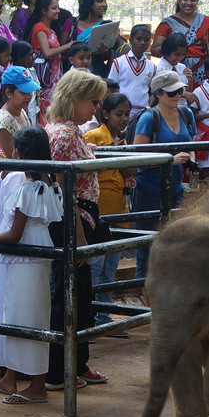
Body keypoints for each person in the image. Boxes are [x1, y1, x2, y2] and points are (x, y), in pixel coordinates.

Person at [0, 125, 61, 405]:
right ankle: (11, 376)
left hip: (26, 255)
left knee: (28, 318)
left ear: (19, 153)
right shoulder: (50, 183)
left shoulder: (28, 188)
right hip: (33, 253)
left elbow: (14, 235)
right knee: (21, 314)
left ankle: (37, 386)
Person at [44, 69, 110, 391]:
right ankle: (60, 370)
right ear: (76, 99)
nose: (95, 108)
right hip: (75, 221)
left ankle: (76, 363)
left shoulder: (67, 131)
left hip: (82, 217)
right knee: (70, 295)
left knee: (79, 295)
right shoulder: (65, 134)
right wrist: (79, 235)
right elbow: (62, 188)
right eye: (93, 101)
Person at [130, 70, 195, 278]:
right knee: (147, 246)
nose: (176, 95)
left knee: (177, 241)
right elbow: (137, 156)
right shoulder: (149, 118)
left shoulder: (186, 114)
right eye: (171, 93)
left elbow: (192, 143)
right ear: (158, 94)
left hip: (175, 187)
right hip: (149, 189)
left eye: (179, 91)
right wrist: (169, 160)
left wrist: (191, 160)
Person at [85, 92, 131, 328]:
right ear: (105, 114)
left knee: (110, 269)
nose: (124, 119)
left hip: (119, 210)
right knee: (96, 269)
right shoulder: (94, 137)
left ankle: (103, 316)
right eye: (118, 114)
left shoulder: (122, 140)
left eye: (126, 114)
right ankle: (91, 317)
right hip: (101, 211)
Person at [154, 0, 209, 72]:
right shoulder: (168, 23)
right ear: (179, 1)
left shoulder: (206, 22)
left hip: (202, 72)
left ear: (197, 1)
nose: (188, 3)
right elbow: (155, 50)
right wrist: (174, 52)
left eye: (192, 0)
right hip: (175, 71)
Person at [29, 0, 69, 109]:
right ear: (43, 11)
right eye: (54, 8)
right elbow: (47, 53)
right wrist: (67, 46)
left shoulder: (50, 30)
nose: (58, 11)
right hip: (46, 76)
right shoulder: (40, 27)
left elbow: (55, 54)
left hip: (55, 75)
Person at [109, 24, 153, 121]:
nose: (142, 43)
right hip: (122, 112)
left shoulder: (152, 66)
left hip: (143, 113)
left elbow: (151, 90)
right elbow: (112, 88)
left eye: (146, 40)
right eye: (139, 39)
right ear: (130, 40)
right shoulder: (119, 62)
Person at [0, 64, 37, 158]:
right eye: (23, 92)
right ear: (8, 93)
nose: (28, 96)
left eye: (30, 92)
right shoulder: (4, 121)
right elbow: (8, 163)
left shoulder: (21, 110)